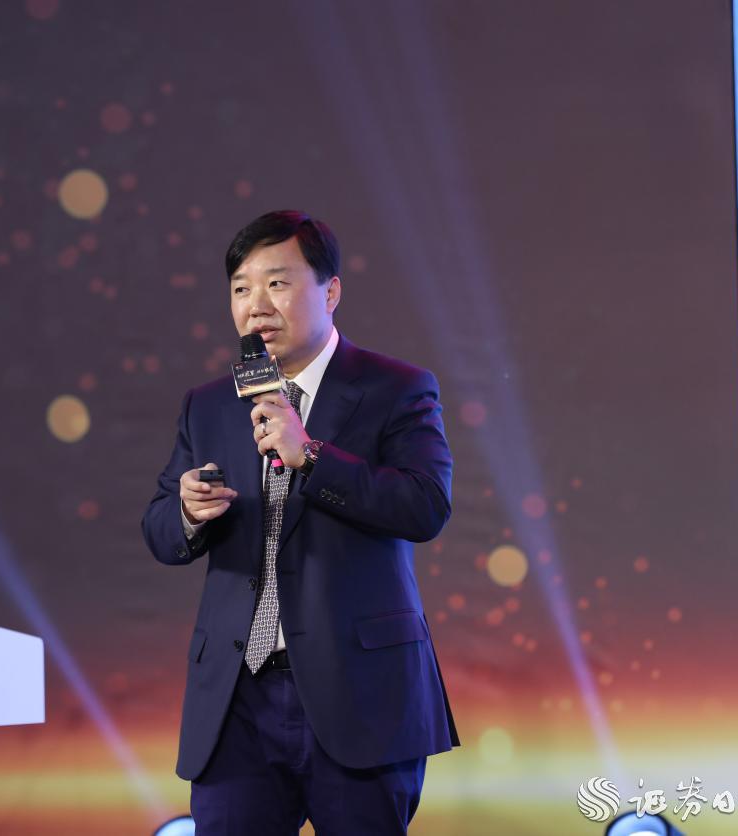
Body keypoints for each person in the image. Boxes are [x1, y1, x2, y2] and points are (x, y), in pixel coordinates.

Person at [141, 210, 459, 835]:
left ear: (330, 291)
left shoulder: (395, 387)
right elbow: (159, 529)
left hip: (357, 693)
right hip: (236, 699)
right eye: (240, 288)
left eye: (277, 283)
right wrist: (186, 511)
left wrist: (311, 454)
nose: (255, 304)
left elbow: (424, 506)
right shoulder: (209, 404)